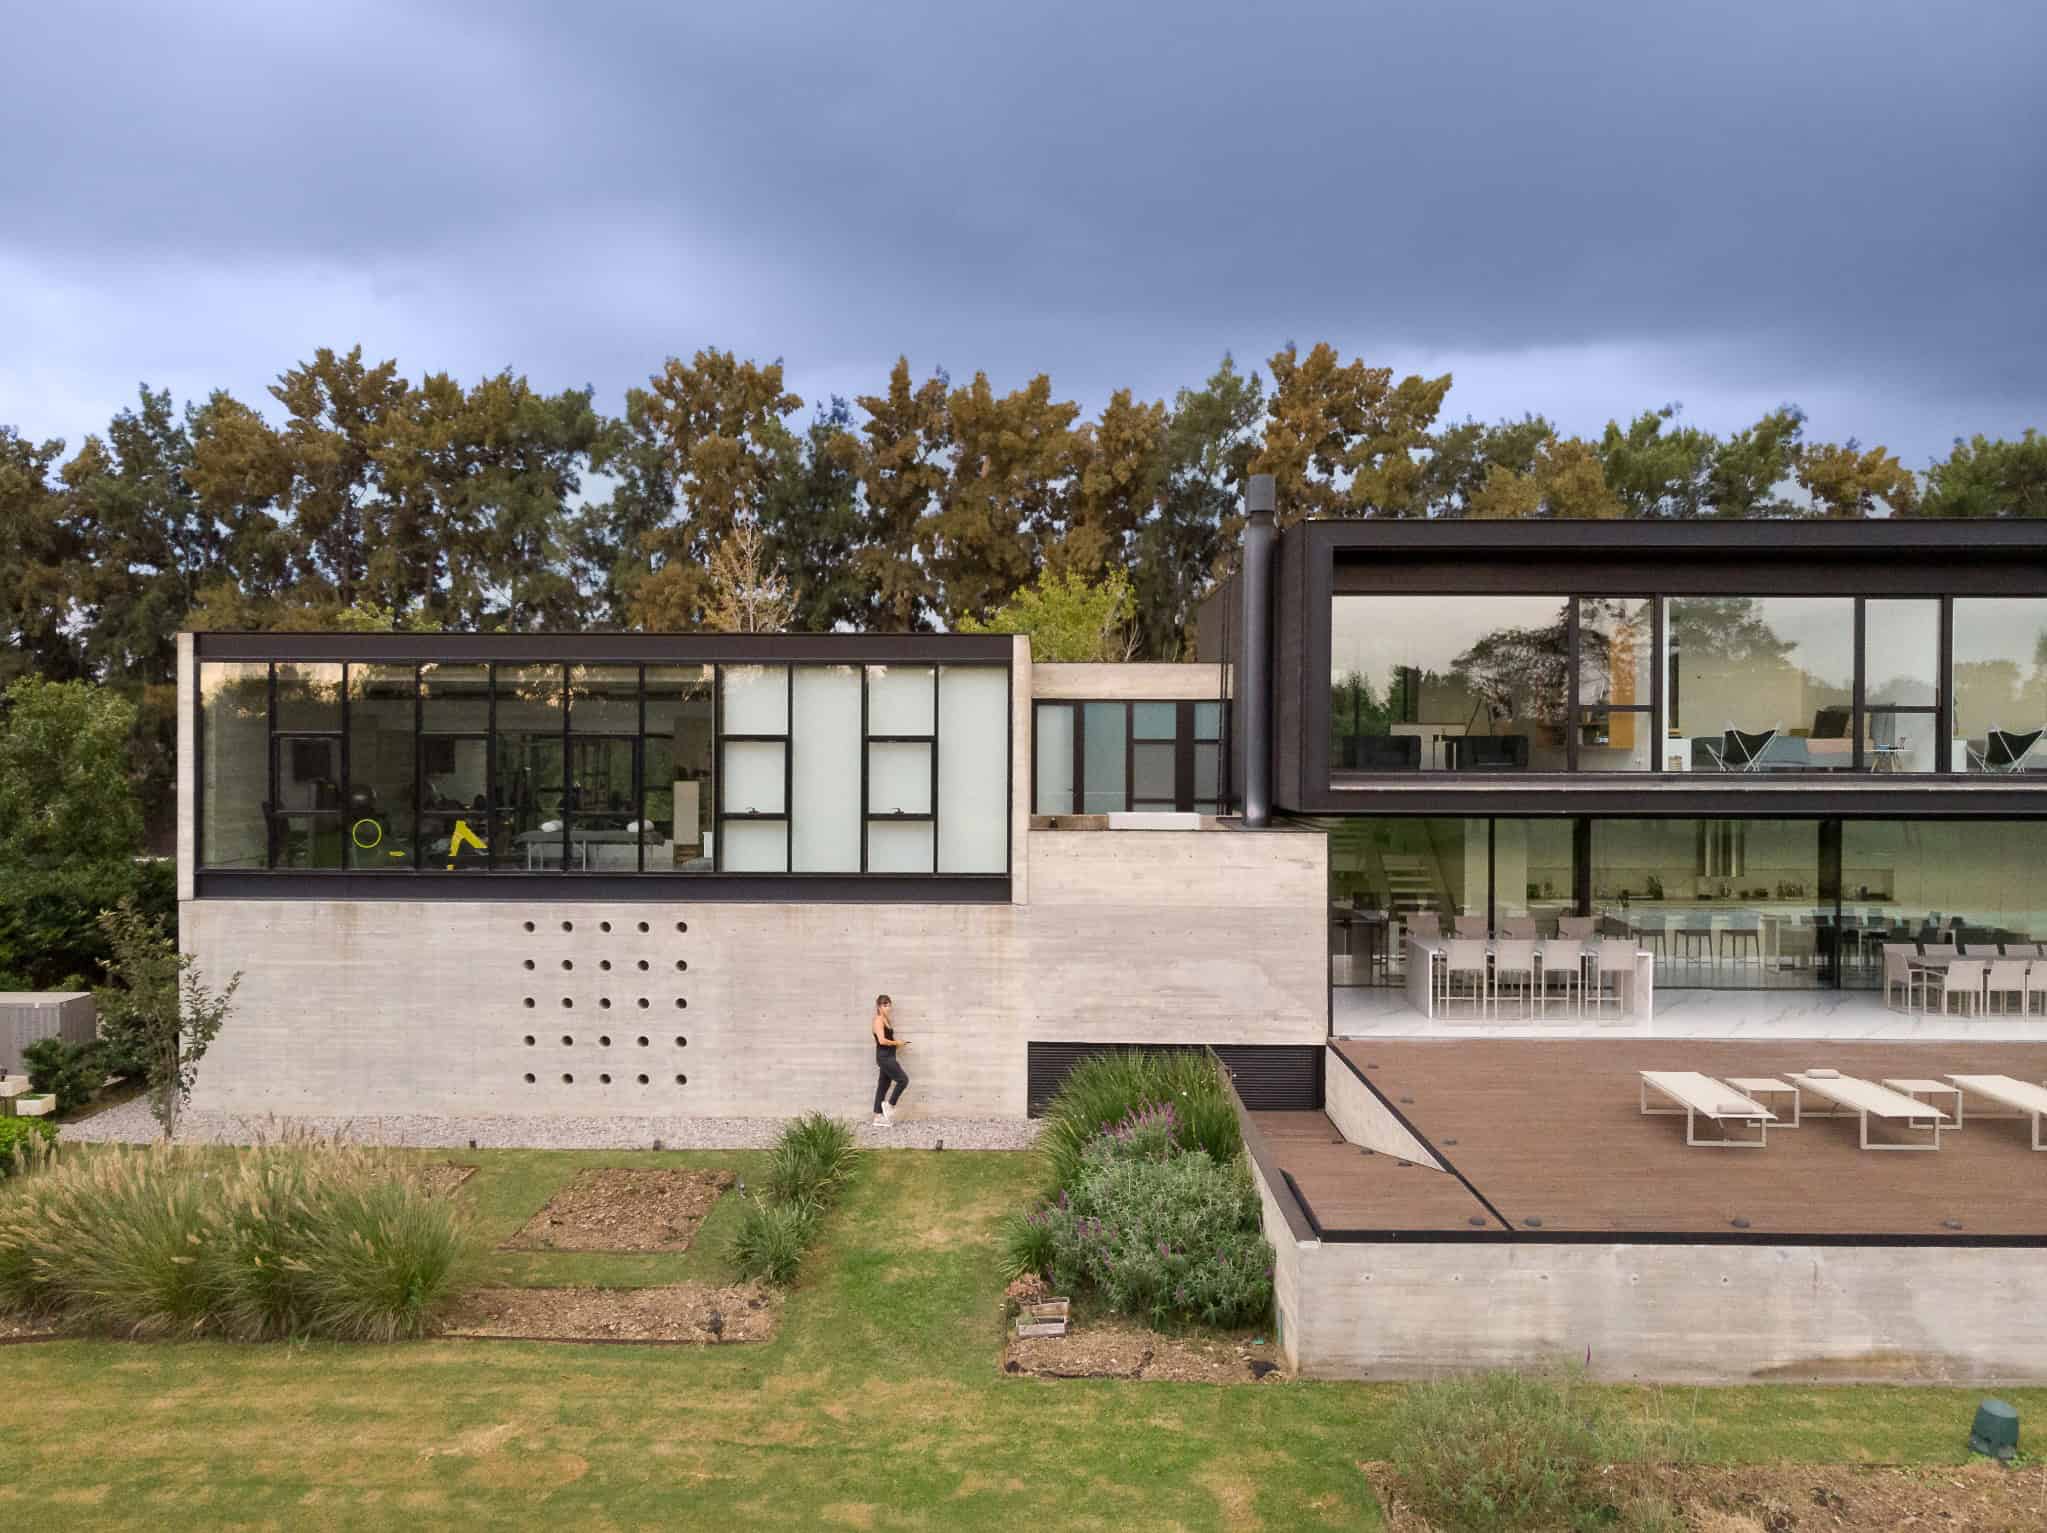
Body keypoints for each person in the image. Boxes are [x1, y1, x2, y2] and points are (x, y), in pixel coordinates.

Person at [871, 994, 908, 1126]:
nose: (888, 1008)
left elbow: (889, 1040)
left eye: (889, 1005)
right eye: (885, 1005)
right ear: (879, 1006)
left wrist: (899, 1044)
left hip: (889, 1056)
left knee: (883, 1086)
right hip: (884, 1057)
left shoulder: (886, 1020)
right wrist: (896, 1042)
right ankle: (890, 1105)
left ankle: (878, 1117)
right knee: (903, 1080)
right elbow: (881, 1040)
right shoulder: (878, 1020)